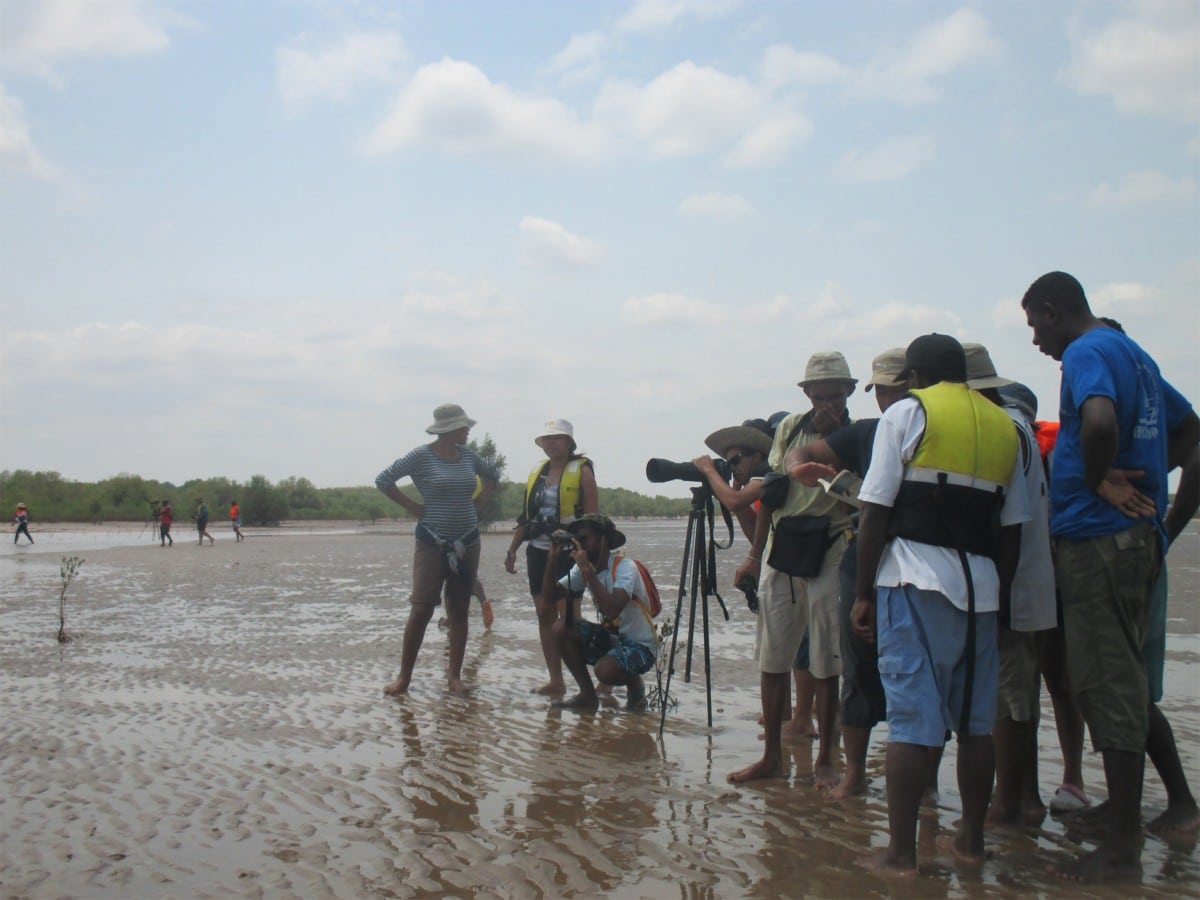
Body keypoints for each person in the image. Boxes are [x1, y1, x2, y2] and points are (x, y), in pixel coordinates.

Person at [1023, 272, 1198, 880]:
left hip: (1097, 539)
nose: (1037, 341)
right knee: (1116, 673)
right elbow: (1189, 430)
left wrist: (1100, 477)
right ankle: (1129, 812)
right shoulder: (1136, 356)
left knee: (1105, 681)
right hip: (1128, 541)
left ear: (1053, 311)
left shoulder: (1088, 351)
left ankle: (1122, 846)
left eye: (1034, 325)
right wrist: (1155, 496)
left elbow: (1097, 422)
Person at [851, 333, 1029, 874]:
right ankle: (969, 844)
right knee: (977, 725)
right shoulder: (1006, 427)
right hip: (982, 589)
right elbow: (1012, 529)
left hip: (913, 580)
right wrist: (999, 600)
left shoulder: (907, 414)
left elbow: (876, 511)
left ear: (916, 377)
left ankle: (901, 854)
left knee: (911, 721)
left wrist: (862, 594)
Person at [782, 347, 926, 801]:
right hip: (859, 560)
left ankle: (919, 784)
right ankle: (855, 773)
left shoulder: (913, 432)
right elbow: (795, 462)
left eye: (899, 390)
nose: (891, 399)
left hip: (906, 561)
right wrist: (799, 465)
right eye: (884, 391)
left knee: (916, 672)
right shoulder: (864, 432)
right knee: (858, 669)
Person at [730, 351, 858, 787]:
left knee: (826, 658)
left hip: (831, 546)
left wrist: (836, 442)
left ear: (850, 393)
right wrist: (755, 553)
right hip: (784, 547)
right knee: (773, 655)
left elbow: (859, 497)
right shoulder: (788, 428)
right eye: (819, 396)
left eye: (835, 396)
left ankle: (825, 758)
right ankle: (771, 757)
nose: (827, 405)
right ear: (805, 394)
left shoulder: (859, 435)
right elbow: (775, 490)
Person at [961, 344, 1057, 827]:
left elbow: (1006, 522)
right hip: (1024, 584)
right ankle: (1026, 797)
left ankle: (1008, 805)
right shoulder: (1020, 429)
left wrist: (996, 596)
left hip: (1009, 587)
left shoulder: (1003, 433)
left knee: (1007, 701)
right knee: (1019, 698)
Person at [376, 403, 499, 697]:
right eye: (463, 426)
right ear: (448, 429)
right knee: (421, 609)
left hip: (467, 542)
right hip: (432, 542)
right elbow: (384, 480)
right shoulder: (421, 456)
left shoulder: (468, 456)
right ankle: (404, 678)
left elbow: (492, 475)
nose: (468, 430)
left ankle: (454, 678)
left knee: (458, 609)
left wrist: (480, 503)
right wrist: (412, 507)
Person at [504, 419, 599, 696]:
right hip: (538, 551)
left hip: (570, 552)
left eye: (557, 438)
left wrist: (587, 555)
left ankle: (586, 683)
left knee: (570, 618)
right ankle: (556, 680)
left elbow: (594, 518)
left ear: (569, 442)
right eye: (547, 439)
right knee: (544, 613)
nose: (551, 444)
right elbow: (526, 517)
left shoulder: (582, 471)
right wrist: (512, 549)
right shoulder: (537, 473)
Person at [542, 514, 657, 711]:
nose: (581, 544)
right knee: (560, 628)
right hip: (613, 639)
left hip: (641, 647)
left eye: (585, 539)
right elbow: (550, 597)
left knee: (604, 670)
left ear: (604, 539)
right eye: (578, 539)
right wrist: (552, 559)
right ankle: (587, 696)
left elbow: (611, 610)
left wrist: (586, 569)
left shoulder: (624, 567)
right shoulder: (587, 568)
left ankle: (635, 685)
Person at [692, 418, 774, 541]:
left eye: (735, 461)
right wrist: (734, 490)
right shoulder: (759, 493)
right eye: (729, 463)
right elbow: (760, 541)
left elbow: (734, 502)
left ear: (757, 457)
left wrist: (709, 470)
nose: (733, 468)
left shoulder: (771, 473)